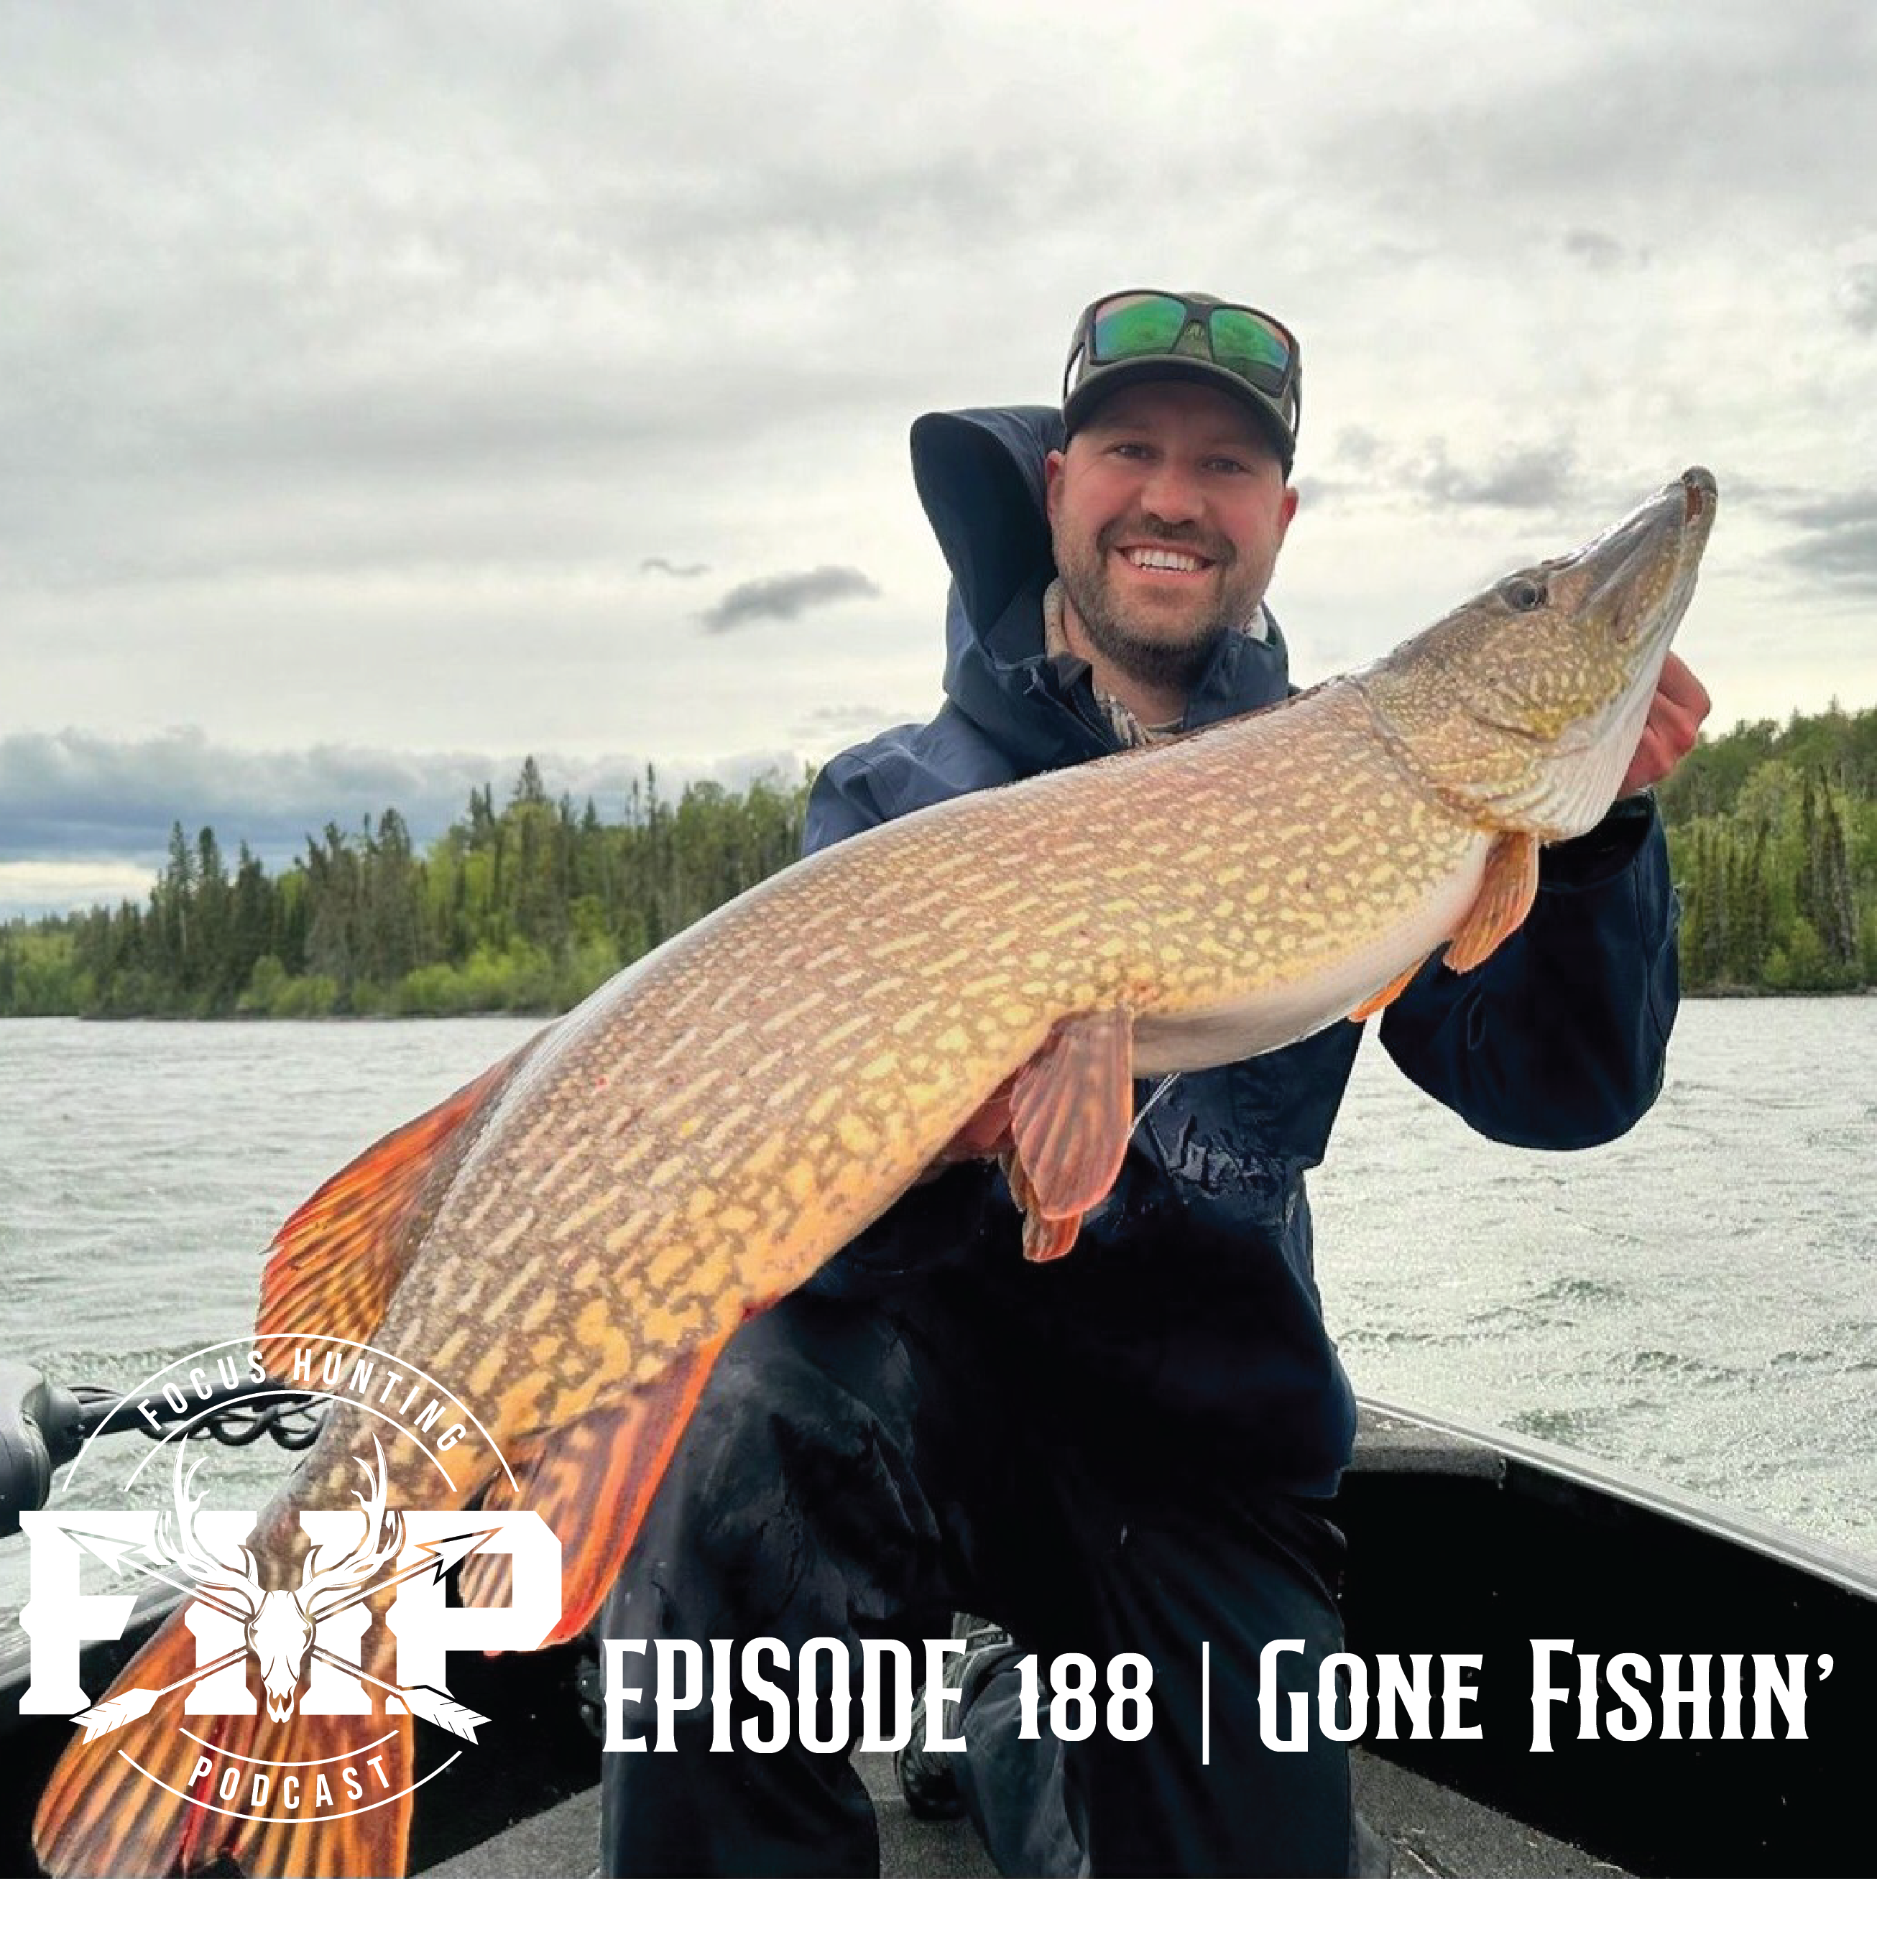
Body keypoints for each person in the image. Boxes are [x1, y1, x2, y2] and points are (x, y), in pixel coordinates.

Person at [597, 287, 1710, 1877]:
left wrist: (1597, 832)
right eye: (1131, 450)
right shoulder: (895, 798)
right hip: (908, 1413)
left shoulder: (1378, 784)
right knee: (728, 1439)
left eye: (1224, 466)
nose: (1173, 498)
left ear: (1278, 519)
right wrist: (949, 1142)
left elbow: (1556, 1091)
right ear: (1059, 484)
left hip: (1199, 1456)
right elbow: (786, 1201)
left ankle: (1015, 1713)